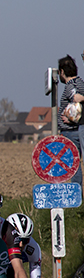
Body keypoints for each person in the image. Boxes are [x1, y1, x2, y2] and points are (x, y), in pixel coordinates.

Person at [57, 55, 84, 186]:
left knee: (74, 164)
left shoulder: (70, 86)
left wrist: (71, 118)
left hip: (70, 131)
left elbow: (76, 100)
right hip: (77, 130)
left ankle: (76, 193)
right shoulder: (80, 82)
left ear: (62, 72)